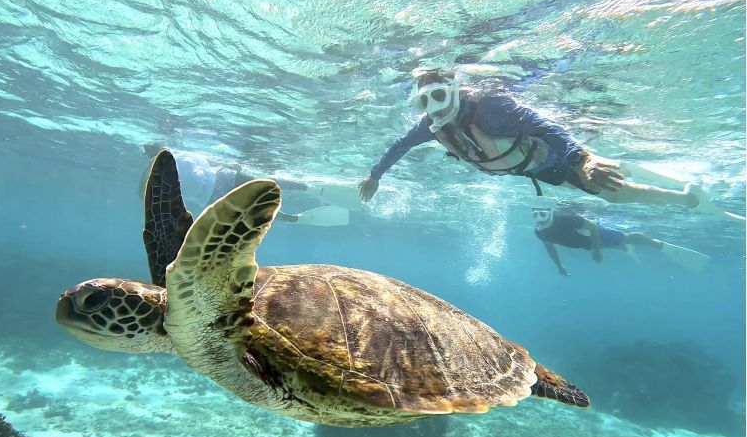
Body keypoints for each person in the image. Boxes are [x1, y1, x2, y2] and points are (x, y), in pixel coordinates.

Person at [358, 67, 726, 215]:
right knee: (607, 191)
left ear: (454, 90)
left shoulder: (490, 109)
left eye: (437, 97)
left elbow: (545, 125)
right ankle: (685, 194)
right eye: (423, 102)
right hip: (536, 170)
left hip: (555, 155)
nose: (431, 108)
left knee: (610, 190)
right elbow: (400, 146)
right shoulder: (432, 126)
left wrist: (582, 158)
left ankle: (688, 197)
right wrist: (376, 175)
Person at [141, 145, 355, 226]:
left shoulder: (175, 158)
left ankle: (301, 202)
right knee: (265, 191)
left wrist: (228, 163)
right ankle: (297, 211)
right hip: (219, 187)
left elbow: (206, 162)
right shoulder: (164, 169)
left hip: (215, 193)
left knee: (262, 197)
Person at [531, 206, 711, 275]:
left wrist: (597, 250)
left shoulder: (565, 218)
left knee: (628, 238)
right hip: (585, 243)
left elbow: (592, 227)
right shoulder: (541, 232)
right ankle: (621, 248)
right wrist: (559, 266)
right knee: (617, 244)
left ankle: (658, 245)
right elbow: (550, 247)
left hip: (594, 235)